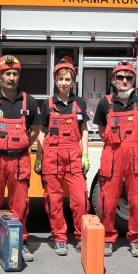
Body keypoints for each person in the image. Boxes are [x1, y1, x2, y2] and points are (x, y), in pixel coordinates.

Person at [0, 55, 41, 263]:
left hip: (20, 160)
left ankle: (20, 242)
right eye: (7, 74)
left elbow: (36, 130)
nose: (11, 77)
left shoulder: (29, 101)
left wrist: (20, 146)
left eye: (15, 73)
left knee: (20, 203)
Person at [93, 61, 138, 257]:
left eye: (129, 77)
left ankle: (136, 239)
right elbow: (102, 131)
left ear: (133, 80)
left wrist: (131, 145)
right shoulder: (105, 102)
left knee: (137, 199)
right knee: (108, 200)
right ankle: (108, 237)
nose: (124, 81)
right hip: (112, 154)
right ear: (113, 80)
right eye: (120, 77)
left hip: (135, 154)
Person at [35, 59, 90, 255]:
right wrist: (39, 156)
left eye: (67, 79)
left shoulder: (79, 103)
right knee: (53, 200)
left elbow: (84, 130)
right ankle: (59, 237)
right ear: (55, 81)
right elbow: (42, 131)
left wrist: (85, 154)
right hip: (51, 157)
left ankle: (81, 235)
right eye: (61, 79)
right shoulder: (48, 104)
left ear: (73, 81)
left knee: (81, 200)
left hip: (73, 156)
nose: (64, 82)